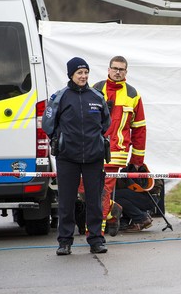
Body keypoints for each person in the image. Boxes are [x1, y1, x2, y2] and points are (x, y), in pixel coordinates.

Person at [43, 57, 111, 255]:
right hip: (67, 158)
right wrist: (61, 140)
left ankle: (96, 240)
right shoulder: (60, 97)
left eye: (85, 72)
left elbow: (105, 125)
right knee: (66, 201)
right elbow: (48, 125)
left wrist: (94, 142)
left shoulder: (97, 97)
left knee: (94, 201)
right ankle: (64, 241)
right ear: (71, 75)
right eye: (79, 73)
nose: (83, 76)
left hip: (94, 157)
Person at [85, 55, 147, 236]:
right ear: (108, 69)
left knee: (103, 192)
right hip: (92, 150)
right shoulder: (96, 89)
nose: (118, 72)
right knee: (83, 190)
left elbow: (139, 129)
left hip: (116, 153)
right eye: (115, 68)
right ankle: (114, 211)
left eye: (121, 69)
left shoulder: (133, 95)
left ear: (126, 72)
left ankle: (95, 234)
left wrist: (137, 160)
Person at [114, 163, 155, 232]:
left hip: (148, 198)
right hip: (146, 198)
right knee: (119, 195)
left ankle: (141, 219)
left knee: (115, 196)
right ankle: (141, 217)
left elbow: (137, 185)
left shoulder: (136, 166)